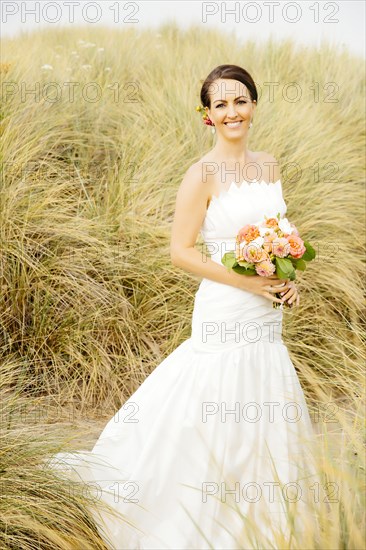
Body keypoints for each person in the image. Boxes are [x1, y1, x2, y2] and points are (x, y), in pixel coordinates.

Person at [46, 64, 321, 550]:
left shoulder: (270, 165)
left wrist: (287, 280)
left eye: (240, 101)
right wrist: (247, 282)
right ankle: (195, 516)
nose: (232, 112)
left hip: (266, 316)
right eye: (221, 105)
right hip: (225, 309)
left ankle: (263, 523)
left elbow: (278, 234)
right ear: (207, 117)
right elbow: (181, 251)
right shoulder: (201, 174)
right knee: (214, 404)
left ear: (254, 105)